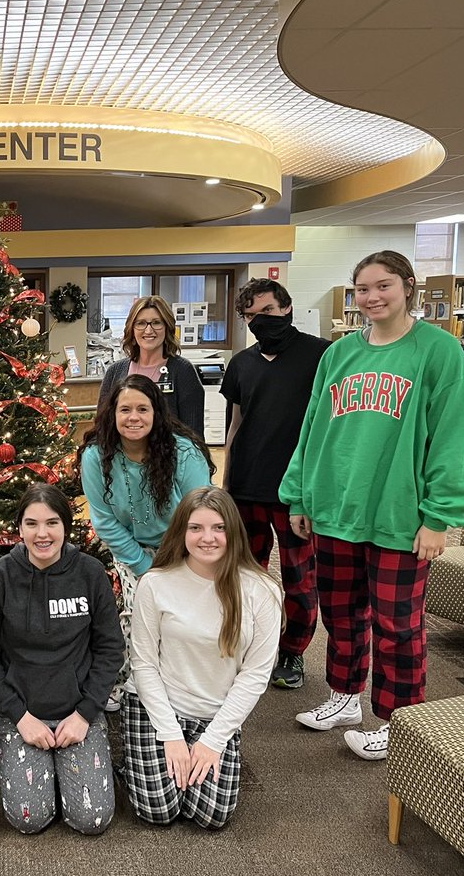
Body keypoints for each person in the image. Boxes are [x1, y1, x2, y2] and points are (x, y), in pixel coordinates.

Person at [281, 250, 464, 761]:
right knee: (341, 613)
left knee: (398, 623)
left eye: (383, 286)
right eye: (362, 289)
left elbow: (454, 439)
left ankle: (398, 721)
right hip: (335, 507)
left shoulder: (439, 352)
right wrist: (299, 494)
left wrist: (440, 517)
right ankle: (344, 697)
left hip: (399, 514)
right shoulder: (339, 355)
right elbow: (312, 431)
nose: (371, 297)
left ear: (408, 286)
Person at [121, 486, 282, 830]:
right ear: (182, 532)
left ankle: (206, 751)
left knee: (211, 816)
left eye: (218, 527)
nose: (207, 538)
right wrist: (170, 735)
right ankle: (135, 757)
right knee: (159, 811)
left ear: (233, 532)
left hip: (215, 713)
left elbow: (254, 675)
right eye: (196, 528)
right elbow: (144, 664)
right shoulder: (156, 583)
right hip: (157, 706)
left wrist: (213, 740)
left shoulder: (262, 590)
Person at [0, 483, 125, 836]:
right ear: (19, 528)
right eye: (31, 524)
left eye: (51, 523)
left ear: (66, 526)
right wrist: (20, 717)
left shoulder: (90, 574)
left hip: (77, 711)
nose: (41, 534)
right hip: (22, 713)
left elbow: (110, 649)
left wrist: (85, 714)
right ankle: (50, 773)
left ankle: (70, 770)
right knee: (29, 819)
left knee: (91, 820)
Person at [221, 278, 330, 691]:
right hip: (246, 488)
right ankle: (249, 648)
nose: (258, 321)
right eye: (250, 316)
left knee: (299, 578)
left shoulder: (321, 355)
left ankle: (292, 652)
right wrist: (226, 484)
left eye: (265, 312)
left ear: (286, 308)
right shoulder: (242, 364)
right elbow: (236, 424)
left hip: (295, 492)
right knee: (244, 576)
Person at [78, 374, 214, 692]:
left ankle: (178, 678)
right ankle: (123, 679)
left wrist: (173, 564)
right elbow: (104, 520)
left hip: (184, 548)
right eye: (125, 410)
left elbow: (202, 514)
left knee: (181, 612)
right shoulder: (96, 456)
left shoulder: (185, 453)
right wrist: (143, 566)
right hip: (128, 547)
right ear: (113, 414)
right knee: (132, 609)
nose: (134, 418)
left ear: (157, 413)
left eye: (143, 409)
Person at [98, 295, 205, 437]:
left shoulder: (183, 371)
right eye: (141, 323)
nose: (148, 330)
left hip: (168, 456)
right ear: (132, 328)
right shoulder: (115, 372)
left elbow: (194, 434)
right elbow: (102, 426)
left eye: (156, 323)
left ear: (167, 327)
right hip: (121, 457)